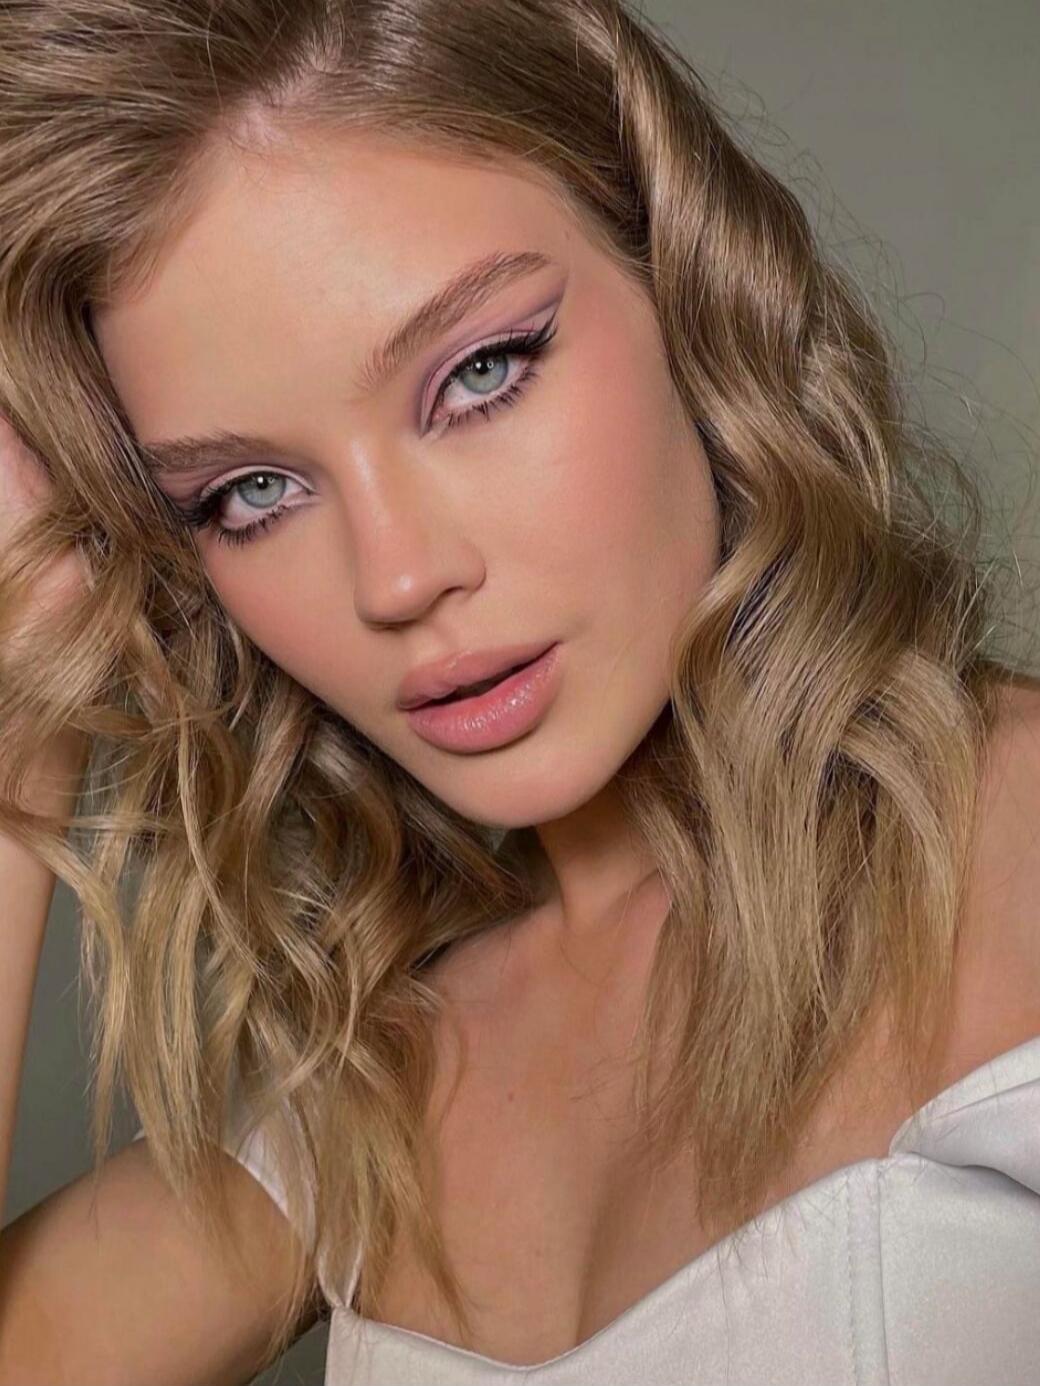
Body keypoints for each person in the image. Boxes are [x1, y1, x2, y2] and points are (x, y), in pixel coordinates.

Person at [0, 0, 1038, 1382]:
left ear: (682, 277)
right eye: (251, 491)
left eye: (480, 374)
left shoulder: (1010, 842)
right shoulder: (385, 1084)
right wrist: (20, 701)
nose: (399, 575)